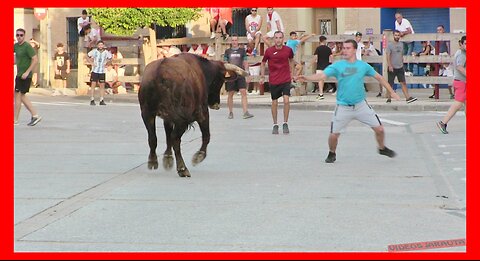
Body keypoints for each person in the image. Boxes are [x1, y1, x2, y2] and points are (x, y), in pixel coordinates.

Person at [296, 39, 401, 163]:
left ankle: (382, 148)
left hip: (360, 105)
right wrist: (306, 78)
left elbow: (380, 78)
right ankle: (332, 152)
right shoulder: (337, 66)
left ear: (355, 50)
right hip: (343, 106)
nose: (344, 50)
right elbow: (322, 76)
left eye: (348, 48)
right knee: (334, 134)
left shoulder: (363, 66)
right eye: (343, 48)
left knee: (380, 129)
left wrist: (392, 92)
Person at [260, 31, 294, 134]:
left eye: (280, 38)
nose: (278, 40)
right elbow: (263, 62)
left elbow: (291, 60)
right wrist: (262, 76)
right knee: (274, 102)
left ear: (283, 39)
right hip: (274, 80)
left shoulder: (288, 50)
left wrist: (291, 72)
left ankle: (285, 123)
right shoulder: (269, 51)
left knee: (286, 100)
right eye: (276, 38)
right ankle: (275, 124)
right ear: (273, 39)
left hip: (285, 79)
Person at [436, 36, 466, 134]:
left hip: (462, 82)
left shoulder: (462, 53)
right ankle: (443, 122)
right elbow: (459, 67)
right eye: (465, 44)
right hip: (462, 82)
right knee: (457, 104)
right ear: (460, 44)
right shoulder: (461, 54)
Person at [14, 28, 42, 126]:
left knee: (20, 96)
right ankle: (17, 119)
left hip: (25, 75)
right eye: (17, 35)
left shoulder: (27, 46)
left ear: (24, 36)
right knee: (18, 96)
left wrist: (27, 72)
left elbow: (35, 59)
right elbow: (16, 58)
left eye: (21, 35)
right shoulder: (16, 46)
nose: (19, 37)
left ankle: (34, 115)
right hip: (19, 74)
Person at [223, 34, 254, 120]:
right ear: (231, 42)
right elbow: (225, 62)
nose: (234, 42)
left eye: (236, 40)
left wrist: (247, 73)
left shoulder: (242, 51)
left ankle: (245, 112)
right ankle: (230, 112)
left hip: (240, 73)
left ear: (238, 41)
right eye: (232, 40)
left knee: (243, 92)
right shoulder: (227, 51)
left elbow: (245, 62)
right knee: (230, 93)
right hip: (231, 74)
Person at [385, 30, 417, 104]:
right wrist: (390, 65)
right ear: (393, 36)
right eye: (395, 35)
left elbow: (402, 55)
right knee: (390, 83)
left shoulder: (402, 44)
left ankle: (408, 97)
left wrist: (403, 64)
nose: (397, 36)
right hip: (392, 67)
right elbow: (388, 56)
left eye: (398, 35)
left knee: (403, 82)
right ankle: (389, 98)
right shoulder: (390, 45)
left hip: (400, 67)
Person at [431, 24, 454, 99]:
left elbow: (448, 47)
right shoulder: (437, 39)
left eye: (440, 30)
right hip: (438, 59)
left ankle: (452, 93)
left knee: (449, 76)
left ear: (443, 30)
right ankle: (435, 93)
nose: (439, 31)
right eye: (437, 30)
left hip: (445, 57)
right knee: (435, 76)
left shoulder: (446, 38)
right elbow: (435, 50)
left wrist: (449, 58)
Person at [87, 40, 112, 105]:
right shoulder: (94, 51)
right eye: (99, 45)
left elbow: (110, 58)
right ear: (97, 45)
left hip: (102, 71)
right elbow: (87, 56)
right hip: (95, 70)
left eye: (101, 45)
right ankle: (92, 99)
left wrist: (107, 64)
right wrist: (91, 63)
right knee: (93, 84)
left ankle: (101, 99)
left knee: (102, 85)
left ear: (103, 45)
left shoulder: (106, 52)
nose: (100, 46)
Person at [310, 35, 332, 99]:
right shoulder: (328, 49)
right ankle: (321, 93)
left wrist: (310, 64)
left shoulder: (318, 48)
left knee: (320, 80)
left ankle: (321, 93)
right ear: (325, 41)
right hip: (327, 66)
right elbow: (331, 57)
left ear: (319, 41)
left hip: (320, 66)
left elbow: (315, 57)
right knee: (323, 80)